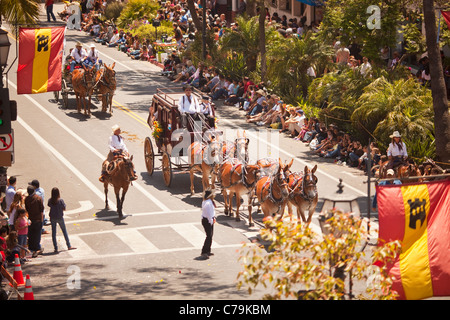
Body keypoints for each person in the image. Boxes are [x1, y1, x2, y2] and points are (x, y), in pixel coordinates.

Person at [48, 187, 76, 253]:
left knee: (54, 233)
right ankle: (69, 245)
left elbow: (49, 205)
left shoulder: (50, 200)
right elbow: (64, 208)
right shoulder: (60, 200)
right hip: (60, 217)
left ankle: (55, 247)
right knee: (64, 231)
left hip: (52, 217)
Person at [25, 185, 44, 258]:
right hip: (38, 219)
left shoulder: (27, 199)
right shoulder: (38, 198)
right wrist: (42, 219)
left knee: (31, 235)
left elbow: (27, 209)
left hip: (31, 219)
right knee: (37, 235)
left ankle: (32, 249)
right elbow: (41, 210)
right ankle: (36, 250)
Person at [200, 189, 216, 260]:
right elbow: (208, 213)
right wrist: (211, 220)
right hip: (207, 220)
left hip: (208, 219)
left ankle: (208, 250)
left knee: (210, 235)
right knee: (209, 236)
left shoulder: (206, 201)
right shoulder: (208, 203)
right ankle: (204, 251)